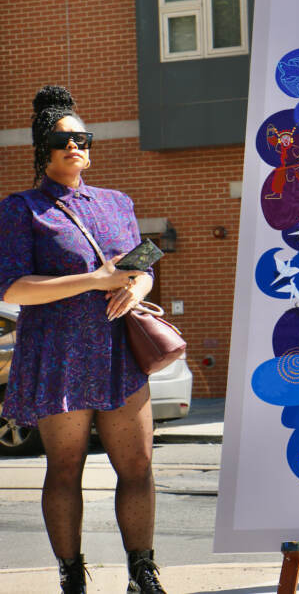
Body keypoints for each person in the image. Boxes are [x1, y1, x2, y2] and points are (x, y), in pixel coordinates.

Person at [0, 86, 167, 594]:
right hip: (58, 352)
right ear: (43, 149)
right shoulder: (21, 209)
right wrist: (95, 281)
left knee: (137, 464)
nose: (74, 146)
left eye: (81, 138)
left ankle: (143, 572)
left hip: (118, 349)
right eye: (61, 139)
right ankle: (72, 575)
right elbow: (12, 286)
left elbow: (142, 268)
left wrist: (137, 286)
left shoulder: (119, 203)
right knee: (65, 466)